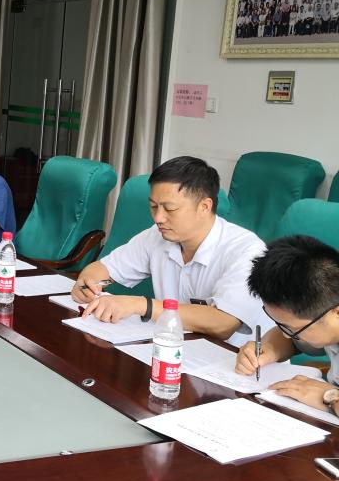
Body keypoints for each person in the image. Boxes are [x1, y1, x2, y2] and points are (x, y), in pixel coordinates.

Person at [72, 156, 272, 346]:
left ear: (204, 206)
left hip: (234, 360)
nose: (158, 218)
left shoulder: (246, 251)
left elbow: (224, 324)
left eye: (170, 209)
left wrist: (141, 305)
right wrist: (89, 284)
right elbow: (103, 269)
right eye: (153, 206)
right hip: (174, 348)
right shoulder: (157, 236)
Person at [236, 235, 339, 415]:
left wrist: (329, 397)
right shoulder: (325, 319)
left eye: (294, 329)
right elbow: (291, 341)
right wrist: (269, 349)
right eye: (283, 325)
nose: (286, 334)